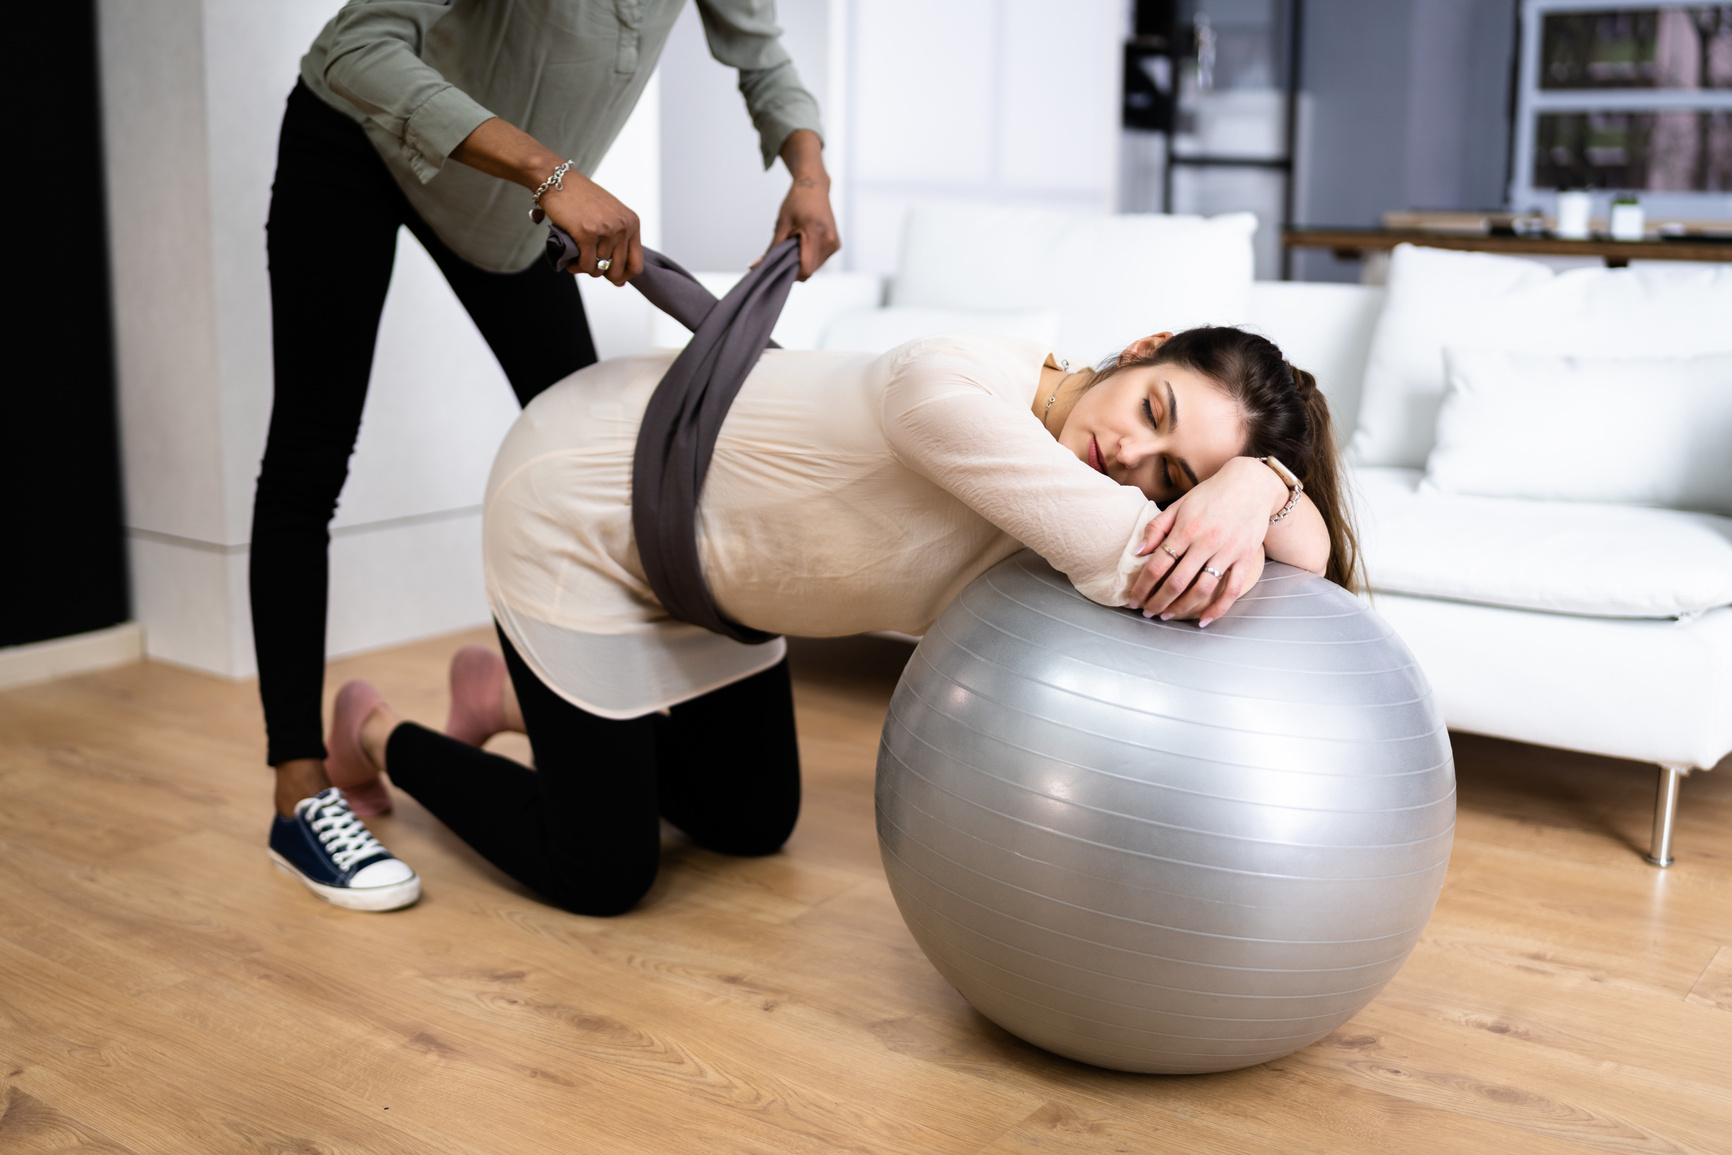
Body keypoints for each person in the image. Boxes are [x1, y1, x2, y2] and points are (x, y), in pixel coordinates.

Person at [304, 325, 1362, 916]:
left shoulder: (1086, 476)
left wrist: (1259, 483)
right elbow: (1142, 565)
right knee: (604, 874)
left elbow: (1302, 565)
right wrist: (1238, 491)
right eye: (1153, 410)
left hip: (713, 581)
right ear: (1145, 346)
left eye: (1172, 477)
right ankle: (375, 733)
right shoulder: (946, 389)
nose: (1132, 458)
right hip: (585, 505)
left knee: (750, 822)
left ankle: (514, 699)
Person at [257, 0, 840, 912]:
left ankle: (504, 699)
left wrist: (808, 171)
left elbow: (757, 49)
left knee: (602, 471)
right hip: (361, 145)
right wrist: (551, 172)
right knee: (309, 456)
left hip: (503, 212)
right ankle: (302, 785)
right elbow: (358, 46)